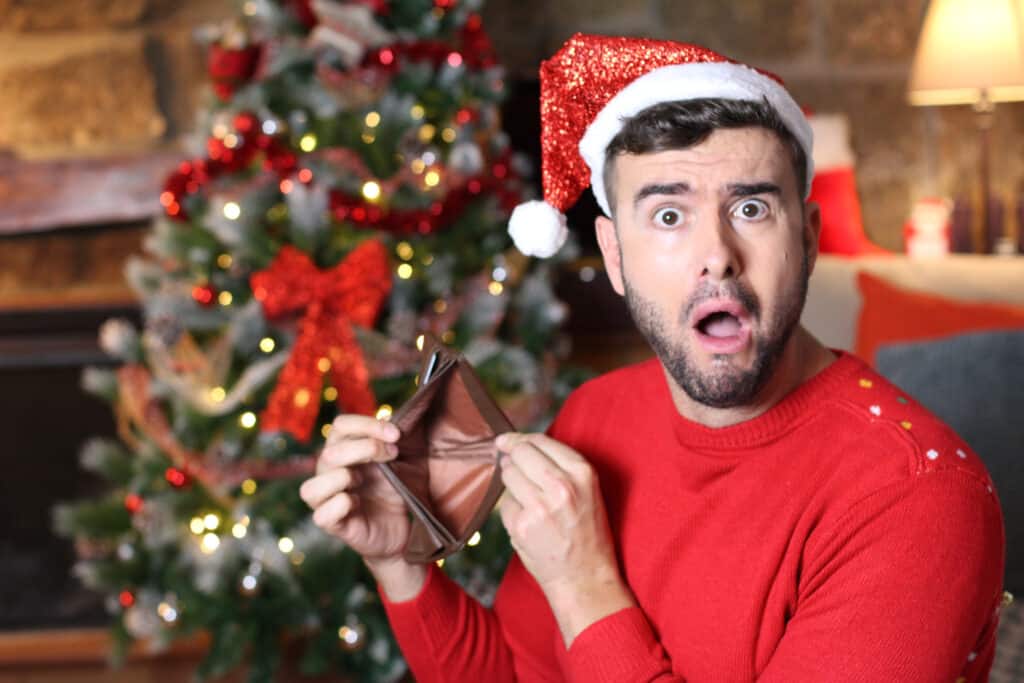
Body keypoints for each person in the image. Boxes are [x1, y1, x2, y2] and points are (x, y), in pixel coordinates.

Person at [300, 34, 1006, 682]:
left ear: (810, 238)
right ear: (614, 255)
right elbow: (518, 673)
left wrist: (584, 586)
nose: (716, 257)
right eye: (669, 215)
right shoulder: (595, 414)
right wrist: (399, 564)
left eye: (752, 209)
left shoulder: (916, 495)